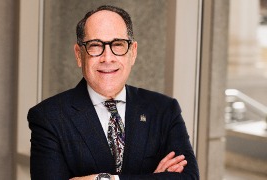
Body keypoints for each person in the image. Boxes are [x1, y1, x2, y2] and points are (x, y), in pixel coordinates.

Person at [28, 5, 199, 180]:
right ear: (79, 55)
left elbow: (189, 177)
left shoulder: (164, 110)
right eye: (95, 45)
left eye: (118, 45)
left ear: (133, 52)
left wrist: (106, 179)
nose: (107, 58)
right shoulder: (48, 117)